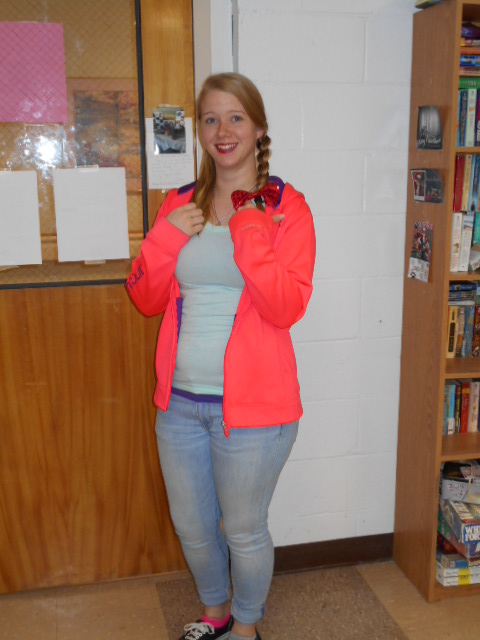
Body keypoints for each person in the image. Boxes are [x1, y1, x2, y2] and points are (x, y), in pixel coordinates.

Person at [126, 72, 316, 640]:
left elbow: (285, 307)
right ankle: (216, 613)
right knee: (192, 528)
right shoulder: (178, 204)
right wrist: (164, 239)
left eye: (236, 117)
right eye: (211, 119)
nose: (223, 130)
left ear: (258, 128)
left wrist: (249, 227)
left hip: (254, 411)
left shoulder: (287, 208)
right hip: (180, 405)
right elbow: (145, 298)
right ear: (200, 131)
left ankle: (246, 628)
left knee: (243, 530)